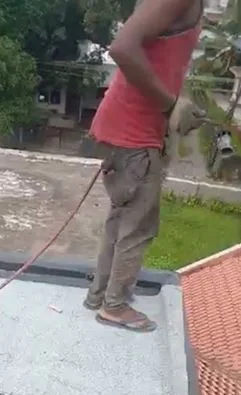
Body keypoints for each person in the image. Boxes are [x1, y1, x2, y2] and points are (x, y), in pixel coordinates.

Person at [84, 0, 206, 332]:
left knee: (121, 218)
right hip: (134, 132)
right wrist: (170, 106)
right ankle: (115, 305)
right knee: (138, 226)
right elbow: (122, 47)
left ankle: (100, 295)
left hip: (128, 128)